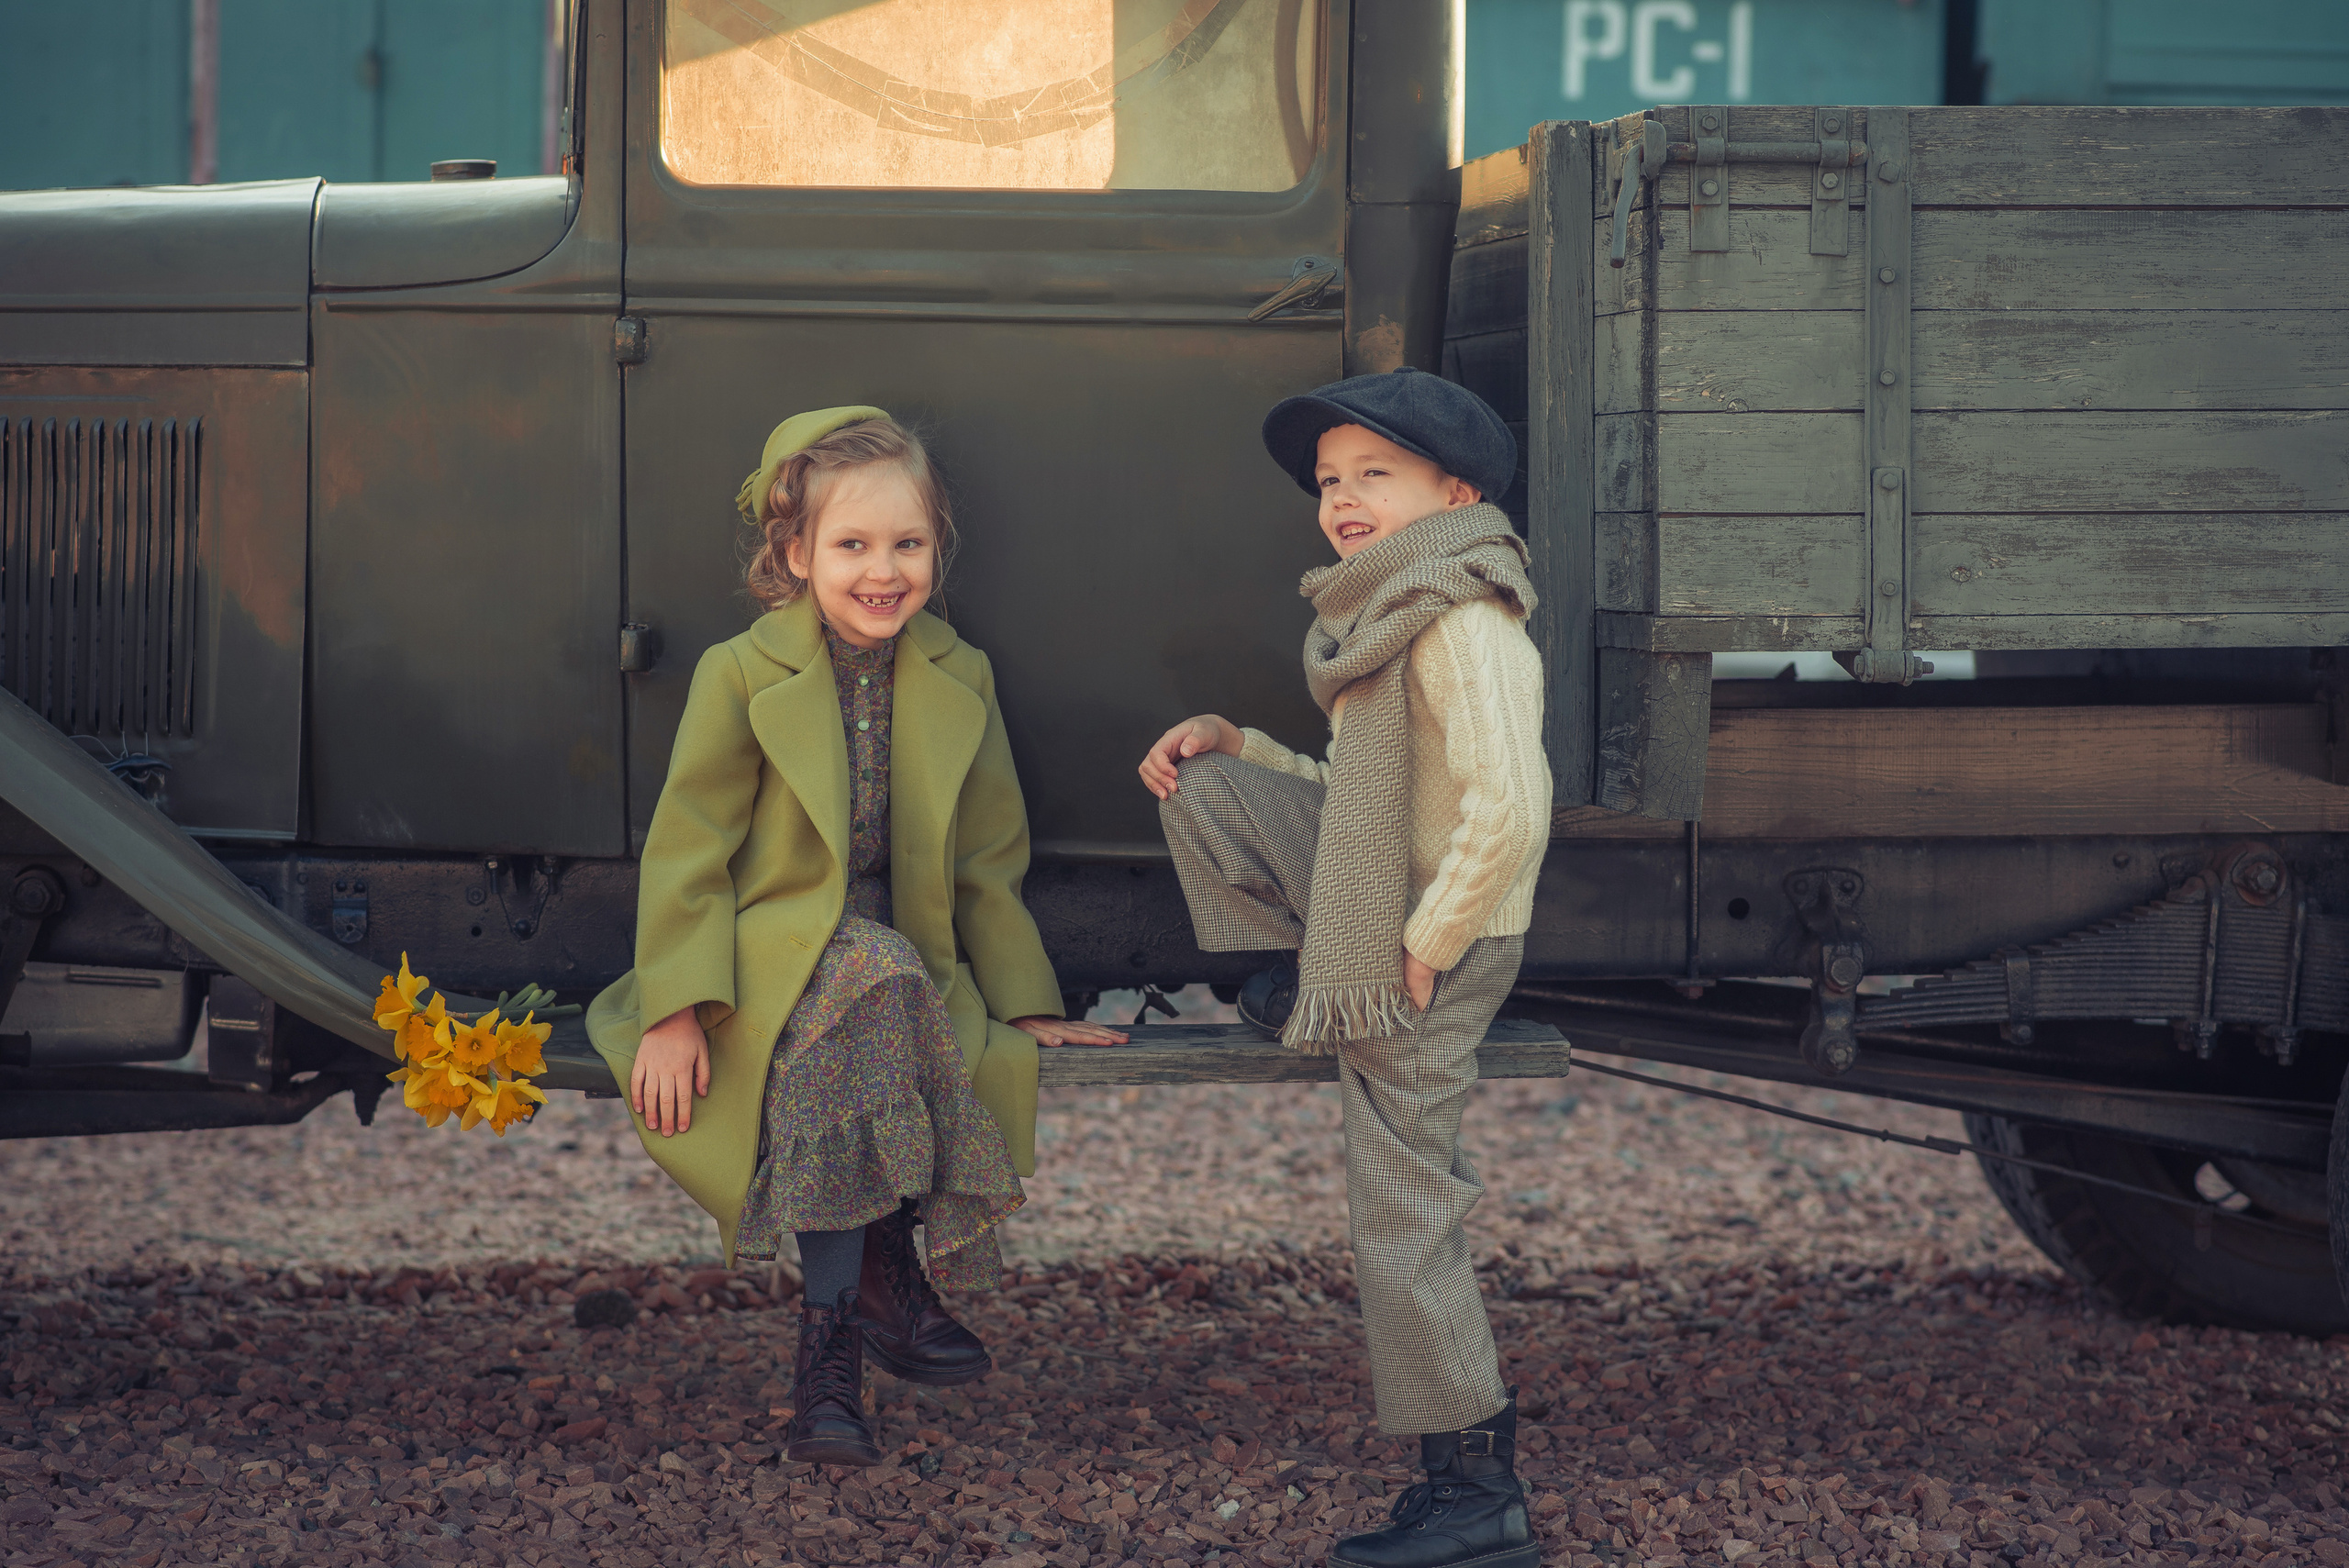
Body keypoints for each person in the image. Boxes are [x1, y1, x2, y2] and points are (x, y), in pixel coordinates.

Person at [589, 407, 1125, 1467]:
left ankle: (829, 1347)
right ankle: (884, 1274)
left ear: (938, 548)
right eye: (852, 545)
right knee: (866, 972)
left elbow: (986, 860)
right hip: (771, 953)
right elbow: (687, 853)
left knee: (878, 980)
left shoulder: (958, 673)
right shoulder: (741, 674)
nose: (883, 571)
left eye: (907, 545)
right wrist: (676, 1007)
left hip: (902, 960)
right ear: (794, 553)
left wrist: (1025, 1002)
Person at [1137, 368, 1549, 1568]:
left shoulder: (1465, 617)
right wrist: (1241, 744)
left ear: (1455, 492)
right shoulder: (1388, 611)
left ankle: (1477, 1492)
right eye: (1330, 481)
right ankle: (1298, 986)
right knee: (1206, 786)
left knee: (1401, 1207)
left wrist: (1421, 951)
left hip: (1443, 942)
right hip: (1396, 913)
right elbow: (1358, 802)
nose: (1343, 499)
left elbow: (1509, 810)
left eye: (1376, 474)